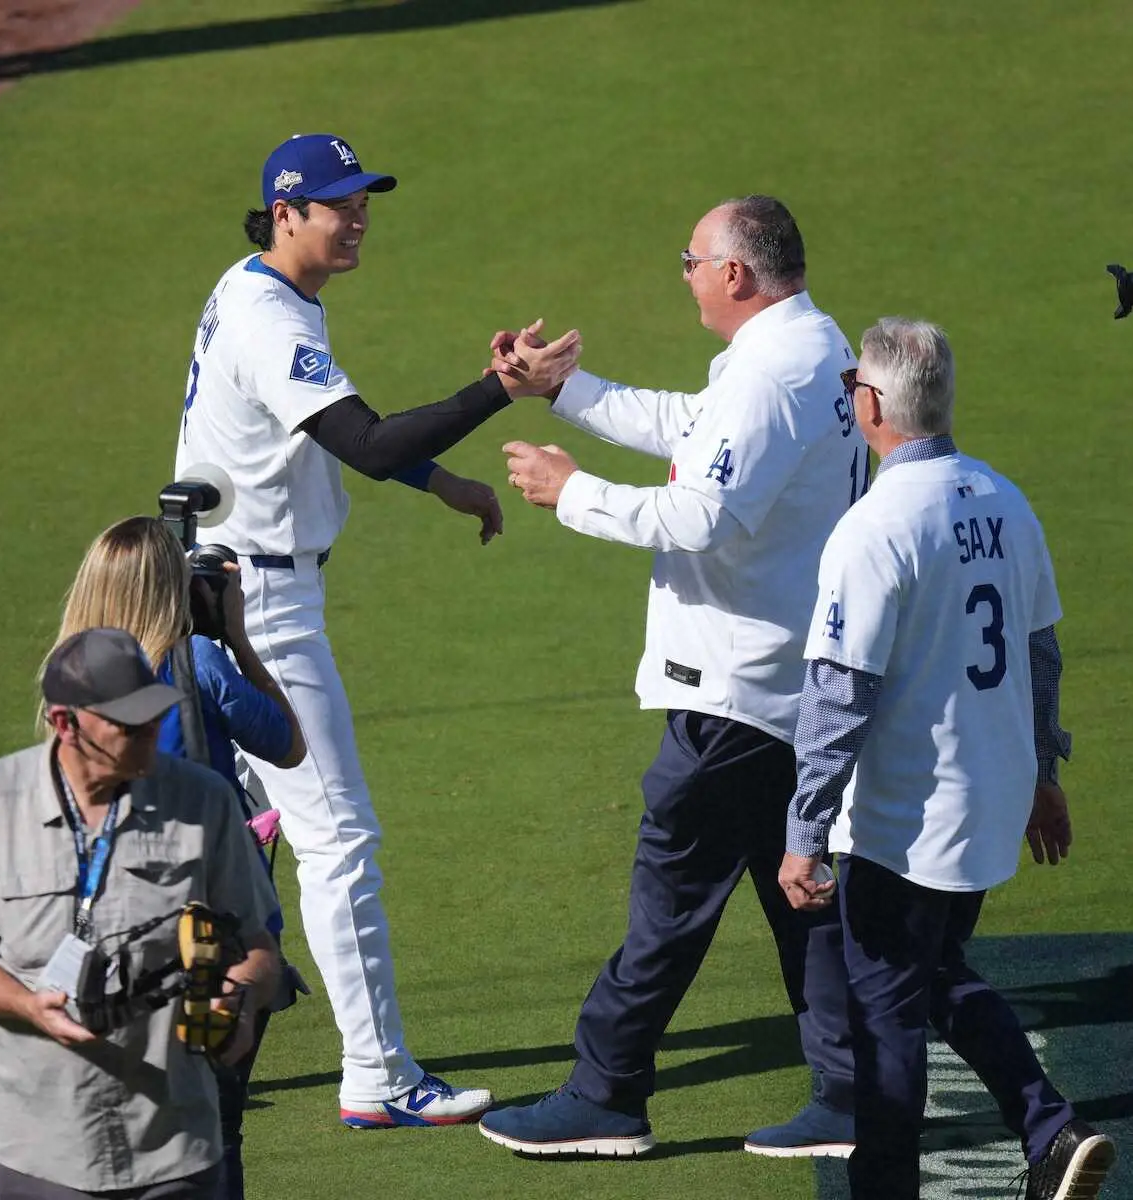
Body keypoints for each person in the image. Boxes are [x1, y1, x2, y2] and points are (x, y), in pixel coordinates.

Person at [173, 131, 580, 1128]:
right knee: (337, 839)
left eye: (364, 201)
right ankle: (378, 1076)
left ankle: (180, 1048)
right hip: (257, 613)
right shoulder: (271, 319)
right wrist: (500, 390)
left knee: (221, 837)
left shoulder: (259, 289)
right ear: (285, 214)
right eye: (338, 204)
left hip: (215, 590)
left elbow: (330, 434)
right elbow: (363, 441)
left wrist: (439, 481)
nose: (358, 219)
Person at [478, 195, 862, 1157]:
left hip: (734, 690)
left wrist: (572, 492)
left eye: (689, 261)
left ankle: (604, 1094)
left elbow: (702, 518)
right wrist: (565, 388)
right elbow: (697, 426)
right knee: (801, 893)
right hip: (791, 678)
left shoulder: (771, 372)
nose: (684, 275)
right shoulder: (812, 345)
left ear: (734, 273)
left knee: (671, 900)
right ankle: (854, 1093)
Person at [778, 318, 1116, 1199]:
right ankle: (1047, 1130)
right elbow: (1040, 654)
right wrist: (1044, 775)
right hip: (990, 801)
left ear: (871, 403)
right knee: (931, 973)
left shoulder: (873, 526)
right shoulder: (1005, 499)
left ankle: (898, 1185)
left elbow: (839, 694)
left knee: (884, 1021)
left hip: (903, 817)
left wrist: (804, 830)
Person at [50, 515, 304, 1200]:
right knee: (217, 1131)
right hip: (213, 930)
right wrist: (235, 635)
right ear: (175, 588)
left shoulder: (68, 679)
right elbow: (287, 744)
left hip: (107, 939)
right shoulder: (200, 662)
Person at [0, 627, 280, 1199]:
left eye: (156, 716)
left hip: (170, 1146)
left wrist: (238, 1000)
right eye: (129, 724)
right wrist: (27, 1005)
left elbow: (258, 946)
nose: (152, 732)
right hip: (30, 1149)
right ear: (65, 724)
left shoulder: (204, 800)